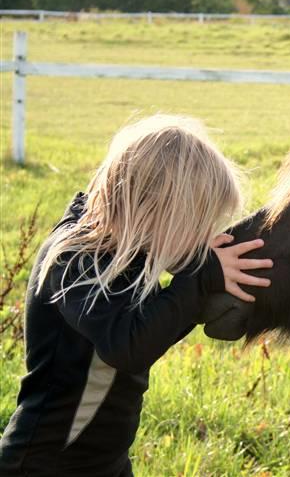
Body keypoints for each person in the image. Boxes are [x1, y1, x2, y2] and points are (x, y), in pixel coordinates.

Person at [0, 115, 271, 476]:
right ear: (157, 210)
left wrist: (203, 290)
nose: (201, 239)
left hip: (105, 462)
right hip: (44, 463)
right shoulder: (73, 258)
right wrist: (200, 281)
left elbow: (152, 332)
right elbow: (126, 348)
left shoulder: (129, 258)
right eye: (196, 226)